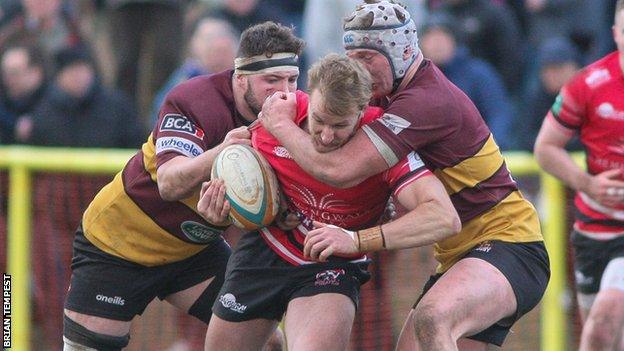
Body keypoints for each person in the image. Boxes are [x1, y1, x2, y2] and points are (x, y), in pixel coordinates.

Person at [258, 1, 550, 349]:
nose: (358, 67)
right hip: (459, 256)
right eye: (352, 55)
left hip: (509, 245)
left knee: (433, 318)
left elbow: (338, 169)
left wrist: (278, 125)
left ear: (403, 51)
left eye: (367, 57)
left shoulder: (423, 100)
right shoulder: (385, 97)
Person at [61, 21, 303, 351]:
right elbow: (171, 184)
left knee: (267, 341)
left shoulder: (292, 114)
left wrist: (285, 212)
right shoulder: (195, 99)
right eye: (271, 80)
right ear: (241, 77)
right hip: (117, 244)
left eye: (292, 79)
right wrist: (223, 153)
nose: (284, 92)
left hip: (192, 252)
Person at [199, 54, 460, 351]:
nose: (325, 136)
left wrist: (357, 239)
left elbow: (443, 217)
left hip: (332, 264)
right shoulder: (274, 117)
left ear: (362, 111)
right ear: (309, 97)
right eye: (319, 120)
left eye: (339, 126)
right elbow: (239, 181)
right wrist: (220, 211)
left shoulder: (383, 143)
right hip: (265, 250)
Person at [534, 1, 624, 350]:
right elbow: (546, 148)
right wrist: (587, 183)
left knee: (606, 315)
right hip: (595, 228)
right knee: (600, 334)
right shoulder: (587, 85)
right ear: (616, 34)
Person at [17, 44, 143, 148]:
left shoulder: (117, 106)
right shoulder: (44, 111)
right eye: (72, 72)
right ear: (59, 77)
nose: (78, 77)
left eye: (82, 70)